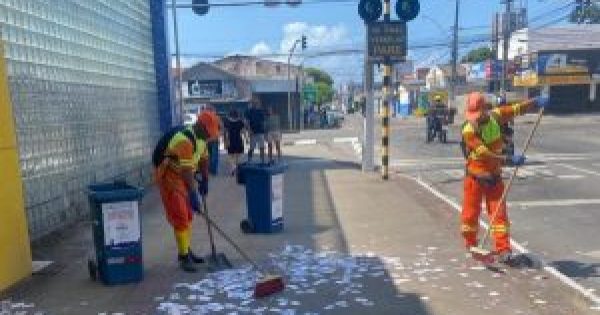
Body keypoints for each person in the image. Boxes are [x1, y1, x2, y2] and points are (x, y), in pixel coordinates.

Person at [460, 92, 548, 266]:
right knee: (470, 216)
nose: (474, 119)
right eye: (472, 115)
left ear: (486, 109)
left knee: (499, 215)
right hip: (475, 179)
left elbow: (517, 109)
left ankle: (504, 249)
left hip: (494, 177)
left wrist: (535, 103)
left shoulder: (495, 116)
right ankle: (471, 244)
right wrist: (508, 160)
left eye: (477, 114)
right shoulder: (468, 130)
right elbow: (484, 153)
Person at [154, 118, 210, 273]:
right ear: (200, 126)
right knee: (180, 216)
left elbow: (204, 159)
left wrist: (205, 180)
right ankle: (184, 257)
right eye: (208, 133)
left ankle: (186, 251)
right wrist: (193, 194)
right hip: (169, 176)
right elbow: (186, 171)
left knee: (188, 216)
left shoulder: (202, 139)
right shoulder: (184, 140)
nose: (209, 137)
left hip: (183, 174)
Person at [198, 106, 221, 176]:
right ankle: (213, 170)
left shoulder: (201, 116)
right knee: (214, 155)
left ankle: (206, 169)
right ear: (212, 110)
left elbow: (198, 127)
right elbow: (220, 127)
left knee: (206, 155)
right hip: (214, 138)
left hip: (205, 138)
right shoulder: (216, 117)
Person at [223, 109, 245, 175]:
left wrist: (225, 141)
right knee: (238, 155)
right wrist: (246, 139)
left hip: (230, 140)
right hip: (238, 139)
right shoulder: (240, 122)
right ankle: (236, 167)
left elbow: (225, 132)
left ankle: (233, 167)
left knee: (230, 155)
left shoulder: (227, 122)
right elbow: (243, 131)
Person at [244, 98, 266, 163]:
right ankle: (249, 160)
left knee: (261, 147)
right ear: (252, 104)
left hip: (260, 132)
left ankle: (262, 160)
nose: (255, 104)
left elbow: (263, 122)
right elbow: (246, 122)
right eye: (254, 103)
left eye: (257, 103)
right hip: (252, 132)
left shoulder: (261, 111)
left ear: (258, 104)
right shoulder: (249, 111)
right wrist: (249, 130)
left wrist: (265, 131)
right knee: (251, 147)